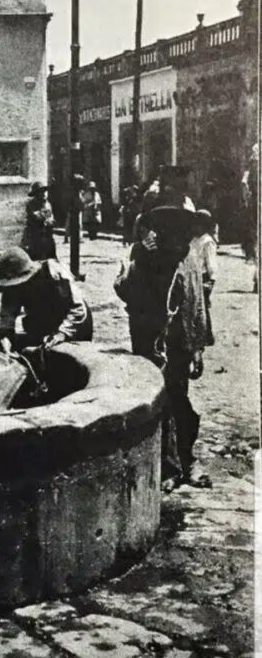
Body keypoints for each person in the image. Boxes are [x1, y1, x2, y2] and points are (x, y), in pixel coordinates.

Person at [114, 204, 210, 489]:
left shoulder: (189, 259)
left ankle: (187, 460)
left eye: (185, 235)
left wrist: (198, 347)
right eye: (176, 235)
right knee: (160, 403)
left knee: (180, 400)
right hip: (151, 342)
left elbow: (198, 303)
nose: (182, 241)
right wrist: (141, 256)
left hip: (180, 342)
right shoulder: (143, 257)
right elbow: (123, 288)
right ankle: (166, 468)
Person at [0, 246, 93, 351]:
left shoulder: (53, 272)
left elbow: (78, 308)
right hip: (43, 324)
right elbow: (7, 315)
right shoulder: (12, 287)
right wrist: (6, 338)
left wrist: (62, 334)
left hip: (74, 323)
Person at [189, 208, 217, 346]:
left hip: (204, 277)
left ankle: (207, 335)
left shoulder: (207, 241)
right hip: (194, 275)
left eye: (198, 224)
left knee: (203, 306)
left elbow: (211, 262)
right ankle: (198, 333)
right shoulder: (194, 240)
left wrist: (211, 280)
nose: (195, 227)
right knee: (196, 304)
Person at [21, 182, 56, 262]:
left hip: (48, 235)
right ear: (36, 193)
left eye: (44, 191)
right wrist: (44, 216)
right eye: (41, 191)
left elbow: (50, 217)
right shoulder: (31, 204)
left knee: (51, 258)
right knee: (36, 258)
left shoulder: (47, 204)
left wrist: (50, 220)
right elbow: (36, 216)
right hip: (36, 236)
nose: (43, 194)